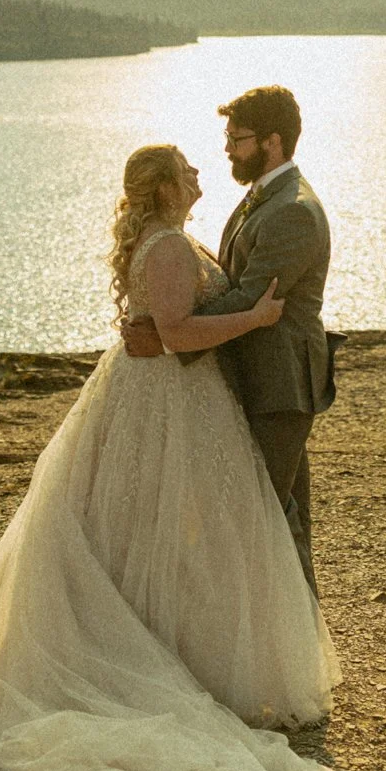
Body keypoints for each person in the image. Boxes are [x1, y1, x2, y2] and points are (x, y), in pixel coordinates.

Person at [0, 144, 338, 771]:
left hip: (171, 394)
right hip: (167, 400)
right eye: (188, 169)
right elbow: (175, 332)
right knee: (175, 526)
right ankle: (161, 657)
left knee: (159, 526)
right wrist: (255, 318)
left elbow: (165, 323)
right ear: (167, 186)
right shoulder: (169, 246)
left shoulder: (166, 239)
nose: (202, 174)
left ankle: (178, 646)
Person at [123, 85, 336, 593]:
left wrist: (170, 336)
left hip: (278, 383)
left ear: (273, 142)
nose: (226, 150)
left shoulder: (292, 211)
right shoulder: (262, 197)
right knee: (280, 516)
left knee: (263, 515)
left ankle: (289, 649)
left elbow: (249, 298)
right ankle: (297, 647)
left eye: (236, 139)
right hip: (252, 375)